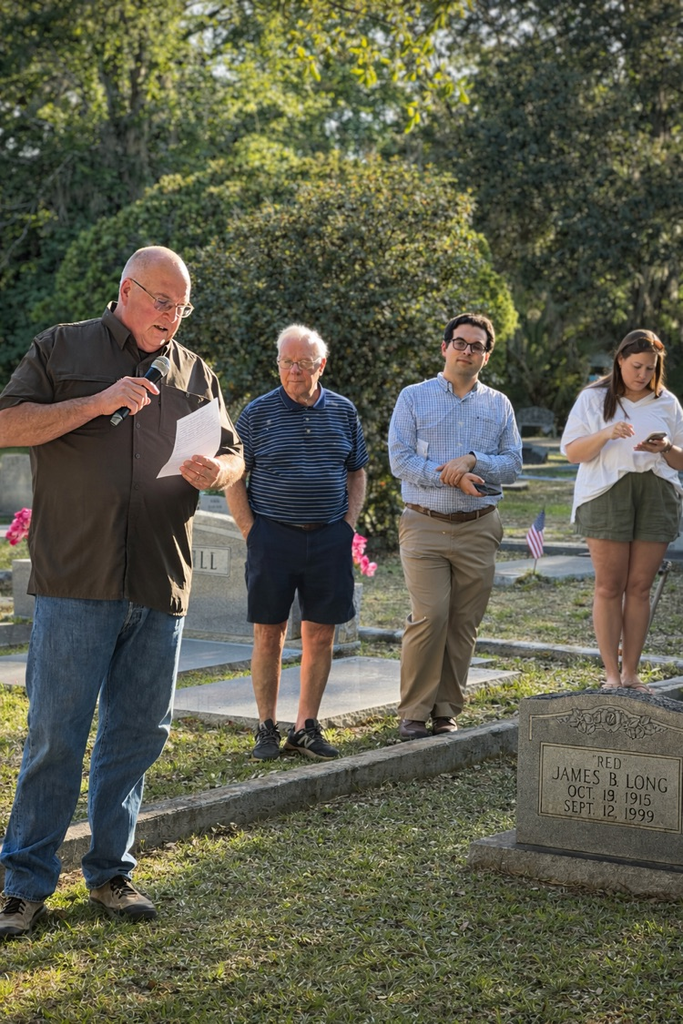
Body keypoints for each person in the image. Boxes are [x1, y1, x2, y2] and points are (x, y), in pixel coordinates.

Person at [0, 246, 244, 938]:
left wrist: (217, 472)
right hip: (77, 577)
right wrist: (99, 402)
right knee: (56, 734)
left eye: (182, 306)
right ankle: (23, 884)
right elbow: (7, 424)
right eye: (162, 301)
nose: (172, 316)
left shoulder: (197, 372)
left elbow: (236, 453)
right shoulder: (62, 348)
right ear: (126, 292)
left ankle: (110, 872)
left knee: (137, 735)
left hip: (159, 577)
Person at [225, 324, 368, 762]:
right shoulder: (256, 413)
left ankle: (305, 726)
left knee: (321, 635)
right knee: (269, 634)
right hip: (273, 536)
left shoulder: (343, 412)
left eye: (302, 364)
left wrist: (348, 523)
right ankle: (266, 727)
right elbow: (234, 475)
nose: (293, 371)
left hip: (328, 537)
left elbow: (357, 470)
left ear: (320, 365)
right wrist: (251, 530)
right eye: (286, 362)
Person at [388, 312, 522, 740]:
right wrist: (450, 474)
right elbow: (400, 460)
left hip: (479, 526)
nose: (467, 351)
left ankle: (446, 709)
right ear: (445, 347)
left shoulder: (498, 404)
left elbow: (514, 463)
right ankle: (413, 710)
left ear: (487, 355)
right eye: (460, 343)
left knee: (464, 621)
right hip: (424, 523)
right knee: (430, 616)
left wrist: (474, 462)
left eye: (476, 346)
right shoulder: (413, 397)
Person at [561, 329, 683, 692]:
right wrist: (607, 434)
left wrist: (663, 447)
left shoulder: (667, 403)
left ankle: (631, 673)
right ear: (620, 360)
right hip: (606, 492)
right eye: (636, 366)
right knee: (609, 586)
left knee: (640, 587)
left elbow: (680, 461)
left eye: (649, 368)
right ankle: (611, 676)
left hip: (656, 492)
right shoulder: (594, 398)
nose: (642, 374)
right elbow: (572, 452)